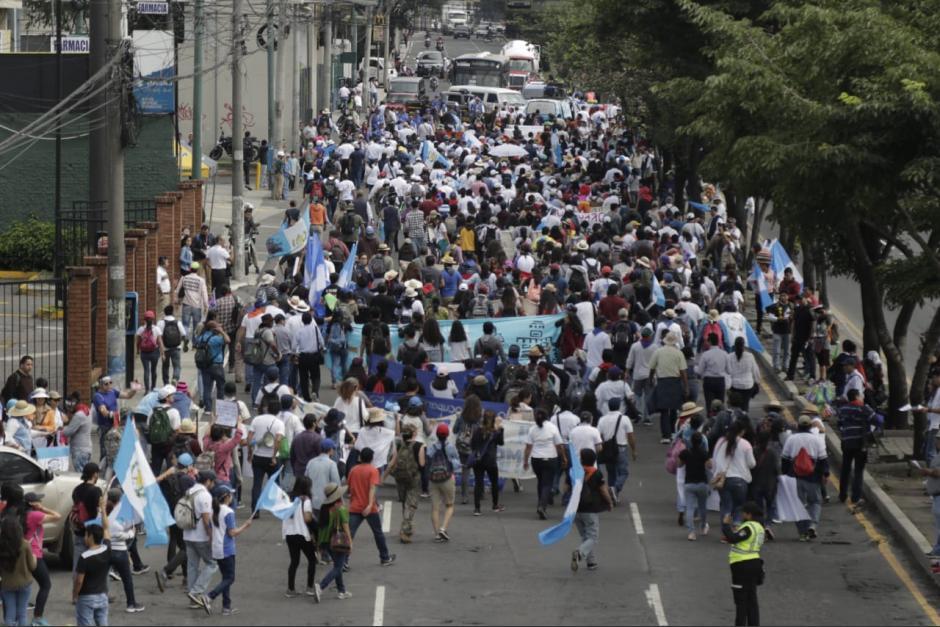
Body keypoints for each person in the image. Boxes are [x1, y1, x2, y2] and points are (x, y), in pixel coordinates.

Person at [781, 413, 829, 541]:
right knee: (815, 502)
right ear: (809, 426)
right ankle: (812, 525)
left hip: (795, 477)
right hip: (813, 478)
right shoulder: (816, 439)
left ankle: (802, 533)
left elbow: (785, 459)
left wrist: (786, 476)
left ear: (798, 426)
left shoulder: (791, 439)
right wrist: (825, 474)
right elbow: (823, 459)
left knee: (799, 505)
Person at [346, 447, 396, 565]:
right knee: (378, 533)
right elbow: (372, 488)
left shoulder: (353, 470)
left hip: (355, 507)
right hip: (370, 508)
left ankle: (344, 561)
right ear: (372, 458)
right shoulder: (373, 471)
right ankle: (384, 557)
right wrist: (369, 505)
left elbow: (350, 488)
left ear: (360, 457)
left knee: (349, 534)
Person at [206, 483, 250, 615]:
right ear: (226, 497)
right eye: (230, 495)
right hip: (227, 549)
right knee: (230, 578)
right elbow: (232, 533)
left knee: (225, 578)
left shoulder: (213, 510)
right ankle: (210, 596)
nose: (232, 497)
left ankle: (226, 607)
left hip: (217, 548)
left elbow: (210, 529)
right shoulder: (228, 512)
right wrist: (246, 526)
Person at [722, 502, 765, 626]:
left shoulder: (748, 527)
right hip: (755, 563)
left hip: (741, 565)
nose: (742, 514)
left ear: (749, 514)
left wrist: (726, 525)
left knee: (741, 600)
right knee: (752, 599)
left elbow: (733, 539)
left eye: (744, 512)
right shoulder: (760, 527)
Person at [570, 448, 613, 572]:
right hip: (590, 509)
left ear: (581, 459)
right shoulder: (596, 473)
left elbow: (566, 488)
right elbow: (603, 490)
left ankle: (591, 562)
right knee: (593, 537)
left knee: (585, 536)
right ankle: (580, 553)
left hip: (576, 509)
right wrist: (609, 502)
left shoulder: (574, 472)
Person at [104, 489, 146, 614]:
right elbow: (121, 534)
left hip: (106, 550)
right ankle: (131, 603)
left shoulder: (105, 514)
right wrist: (130, 533)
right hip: (120, 551)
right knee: (127, 579)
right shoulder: (120, 514)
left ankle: (97, 603)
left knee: (100, 578)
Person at [184, 470, 218, 614]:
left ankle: (193, 600)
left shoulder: (189, 491)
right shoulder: (204, 495)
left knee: (192, 566)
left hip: (187, 534)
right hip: (200, 536)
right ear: (208, 481)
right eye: (213, 481)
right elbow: (205, 518)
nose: (213, 484)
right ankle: (196, 591)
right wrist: (211, 536)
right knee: (212, 563)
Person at [523, 408, 567, 520]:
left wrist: (525, 461)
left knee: (541, 482)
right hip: (550, 459)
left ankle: (540, 503)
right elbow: (559, 445)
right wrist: (564, 458)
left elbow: (528, 447)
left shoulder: (532, 429)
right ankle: (542, 506)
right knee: (547, 484)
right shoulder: (552, 427)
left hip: (536, 459)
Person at [72, 502, 111, 627]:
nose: (84, 537)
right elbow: (106, 528)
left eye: (86, 534)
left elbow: (79, 581)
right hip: (102, 596)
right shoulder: (107, 549)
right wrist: (103, 511)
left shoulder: (84, 557)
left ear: (90, 536)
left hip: (86, 597)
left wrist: (74, 595)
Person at [712, 420, 756, 526]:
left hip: (723, 480)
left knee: (726, 506)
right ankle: (736, 529)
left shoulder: (721, 441)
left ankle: (725, 533)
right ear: (741, 431)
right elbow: (752, 464)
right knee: (739, 507)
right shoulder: (745, 444)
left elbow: (715, 459)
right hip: (740, 480)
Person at [648, 331, 689, 443]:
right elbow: (683, 372)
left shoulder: (658, 352)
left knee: (664, 410)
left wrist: (650, 380)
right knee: (674, 409)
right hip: (675, 382)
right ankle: (672, 432)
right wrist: (686, 387)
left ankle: (665, 436)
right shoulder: (678, 353)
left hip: (662, 382)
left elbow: (651, 368)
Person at [282, 476, 319, 599]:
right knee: (312, 560)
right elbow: (307, 518)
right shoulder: (306, 500)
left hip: (289, 534)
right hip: (302, 533)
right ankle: (309, 587)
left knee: (294, 561)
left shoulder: (288, 498)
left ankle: (290, 589)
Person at [388, 425, 425, 542]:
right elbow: (422, 464)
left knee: (404, 503)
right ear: (414, 433)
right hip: (414, 479)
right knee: (412, 504)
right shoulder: (420, 446)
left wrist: (383, 476)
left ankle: (404, 526)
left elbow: (392, 462)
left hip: (400, 478)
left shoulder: (399, 444)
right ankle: (405, 531)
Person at [317, 483, 352, 600]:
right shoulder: (340, 509)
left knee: (338, 564)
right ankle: (321, 586)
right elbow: (346, 527)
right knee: (339, 566)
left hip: (326, 542)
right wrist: (350, 543)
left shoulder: (324, 507)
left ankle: (341, 590)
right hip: (338, 541)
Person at [426, 423, 461, 542]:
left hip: (433, 479)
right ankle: (443, 528)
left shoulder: (431, 447)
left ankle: (437, 534)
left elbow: (428, 460)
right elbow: (456, 462)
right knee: (450, 505)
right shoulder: (450, 447)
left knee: (435, 508)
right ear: (447, 435)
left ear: (436, 434)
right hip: (447, 478)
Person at [247, 408, 285, 516]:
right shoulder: (279, 423)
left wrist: (250, 453)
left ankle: (255, 510)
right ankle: (276, 508)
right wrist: (273, 456)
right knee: (275, 484)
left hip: (258, 456)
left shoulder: (256, 419)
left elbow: (249, 437)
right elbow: (278, 440)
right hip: (272, 459)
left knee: (257, 484)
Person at [597, 404, 638, 504]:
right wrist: (634, 450)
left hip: (607, 449)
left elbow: (599, 435)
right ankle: (615, 489)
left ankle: (613, 497)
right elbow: (630, 436)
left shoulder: (602, 419)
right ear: (619, 406)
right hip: (621, 448)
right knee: (624, 472)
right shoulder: (625, 419)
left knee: (611, 473)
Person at [678, 431, 712, 541]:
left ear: (691, 441)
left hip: (689, 483)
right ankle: (703, 527)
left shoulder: (685, 452)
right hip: (702, 483)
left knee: (690, 508)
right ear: (701, 441)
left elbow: (679, 464)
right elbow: (709, 466)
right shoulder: (704, 453)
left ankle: (691, 533)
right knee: (702, 507)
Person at [470, 410, 505, 516]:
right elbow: (501, 443)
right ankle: (495, 505)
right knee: (494, 482)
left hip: (479, 459)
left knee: (478, 483)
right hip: (491, 460)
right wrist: (500, 430)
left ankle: (477, 508)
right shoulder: (495, 432)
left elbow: (472, 444)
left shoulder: (477, 430)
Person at [70, 462, 103, 572]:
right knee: (96, 567)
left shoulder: (76, 489)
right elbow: (100, 510)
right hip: (93, 534)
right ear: (94, 474)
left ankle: (77, 586)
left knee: (78, 566)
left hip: (80, 531)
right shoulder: (96, 491)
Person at [727, 337, 760, 413]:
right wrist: (757, 383)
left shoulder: (729, 357)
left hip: (734, 386)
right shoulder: (750, 356)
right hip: (747, 386)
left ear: (734, 346)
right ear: (743, 345)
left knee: (734, 406)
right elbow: (755, 371)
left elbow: (728, 372)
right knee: (745, 405)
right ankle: (744, 417)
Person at [135, 309, 163, 392]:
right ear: (153, 319)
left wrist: (137, 350)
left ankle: (147, 389)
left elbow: (137, 342)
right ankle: (153, 387)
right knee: (153, 370)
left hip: (144, 353)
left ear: (145, 319)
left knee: (146, 370)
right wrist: (163, 353)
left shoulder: (140, 329)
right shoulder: (157, 329)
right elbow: (160, 342)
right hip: (154, 352)